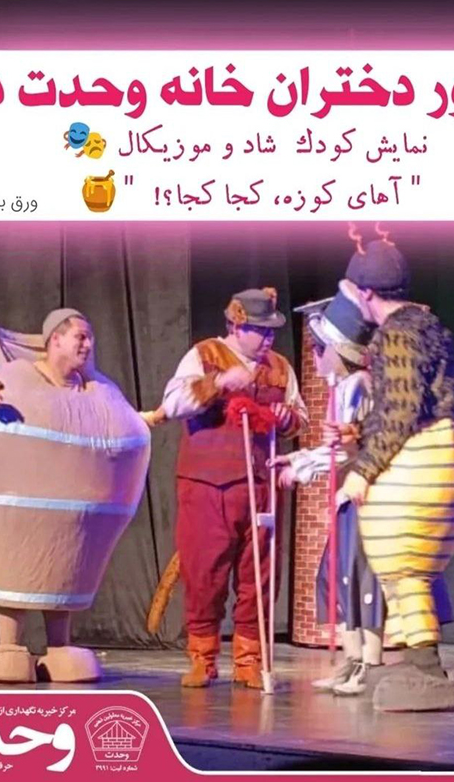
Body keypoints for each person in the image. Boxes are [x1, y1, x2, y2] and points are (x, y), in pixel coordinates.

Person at [0, 308, 150, 683]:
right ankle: (9, 646)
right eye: (80, 336)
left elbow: (129, 426)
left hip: (71, 510)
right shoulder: (18, 377)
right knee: (14, 564)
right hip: (18, 502)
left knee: (63, 567)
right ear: (55, 339)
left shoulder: (97, 388)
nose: (88, 344)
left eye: (90, 337)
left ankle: (59, 646)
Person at [274, 288, 454, 697]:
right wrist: (302, 459)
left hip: (369, 494)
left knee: (365, 579)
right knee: (338, 577)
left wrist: (302, 466)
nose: (316, 358)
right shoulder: (345, 386)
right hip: (352, 493)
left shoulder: (358, 384)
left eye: (320, 349)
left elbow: (353, 449)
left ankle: (369, 664)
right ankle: (353, 661)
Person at [329, 240, 454, 711]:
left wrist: (362, 471)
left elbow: (400, 409)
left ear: (365, 292)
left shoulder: (395, 334)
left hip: (427, 452)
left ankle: (427, 670)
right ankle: (420, 661)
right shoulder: (428, 324)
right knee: (407, 567)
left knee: (401, 561)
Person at [161, 288, 308, 688]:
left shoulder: (279, 368)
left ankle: (249, 660)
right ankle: (203, 657)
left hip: (260, 486)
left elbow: (300, 416)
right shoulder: (205, 355)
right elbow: (173, 404)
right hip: (208, 486)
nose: (268, 338)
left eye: (272, 331)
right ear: (235, 325)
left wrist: (287, 418)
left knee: (259, 576)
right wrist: (221, 382)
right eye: (260, 330)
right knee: (204, 573)